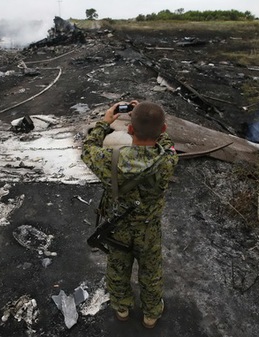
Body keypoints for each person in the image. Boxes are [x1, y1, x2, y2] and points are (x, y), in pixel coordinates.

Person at [81, 100, 178, 328]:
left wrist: (105, 122)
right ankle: (151, 315)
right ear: (163, 129)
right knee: (151, 272)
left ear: (130, 129)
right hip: (149, 229)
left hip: (118, 228)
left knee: (117, 268)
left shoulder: (109, 160)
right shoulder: (168, 159)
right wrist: (150, 119)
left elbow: (88, 148)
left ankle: (122, 309)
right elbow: (167, 142)